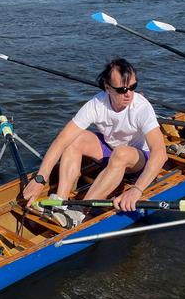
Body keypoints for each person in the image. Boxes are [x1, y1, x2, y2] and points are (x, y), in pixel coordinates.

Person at [21, 58, 167, 228]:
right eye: (122, 89)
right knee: (75, 138)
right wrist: (41, 178)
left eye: (133, 87)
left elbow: (160, 153)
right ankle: (59, 202)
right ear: (107, 87)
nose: (129, 94)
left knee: (121, 152)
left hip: (139, 160)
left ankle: (79, 212)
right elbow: (62, 140)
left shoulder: (141, 107)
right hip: (111, 151)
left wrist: (137, 189)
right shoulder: (96, 104)